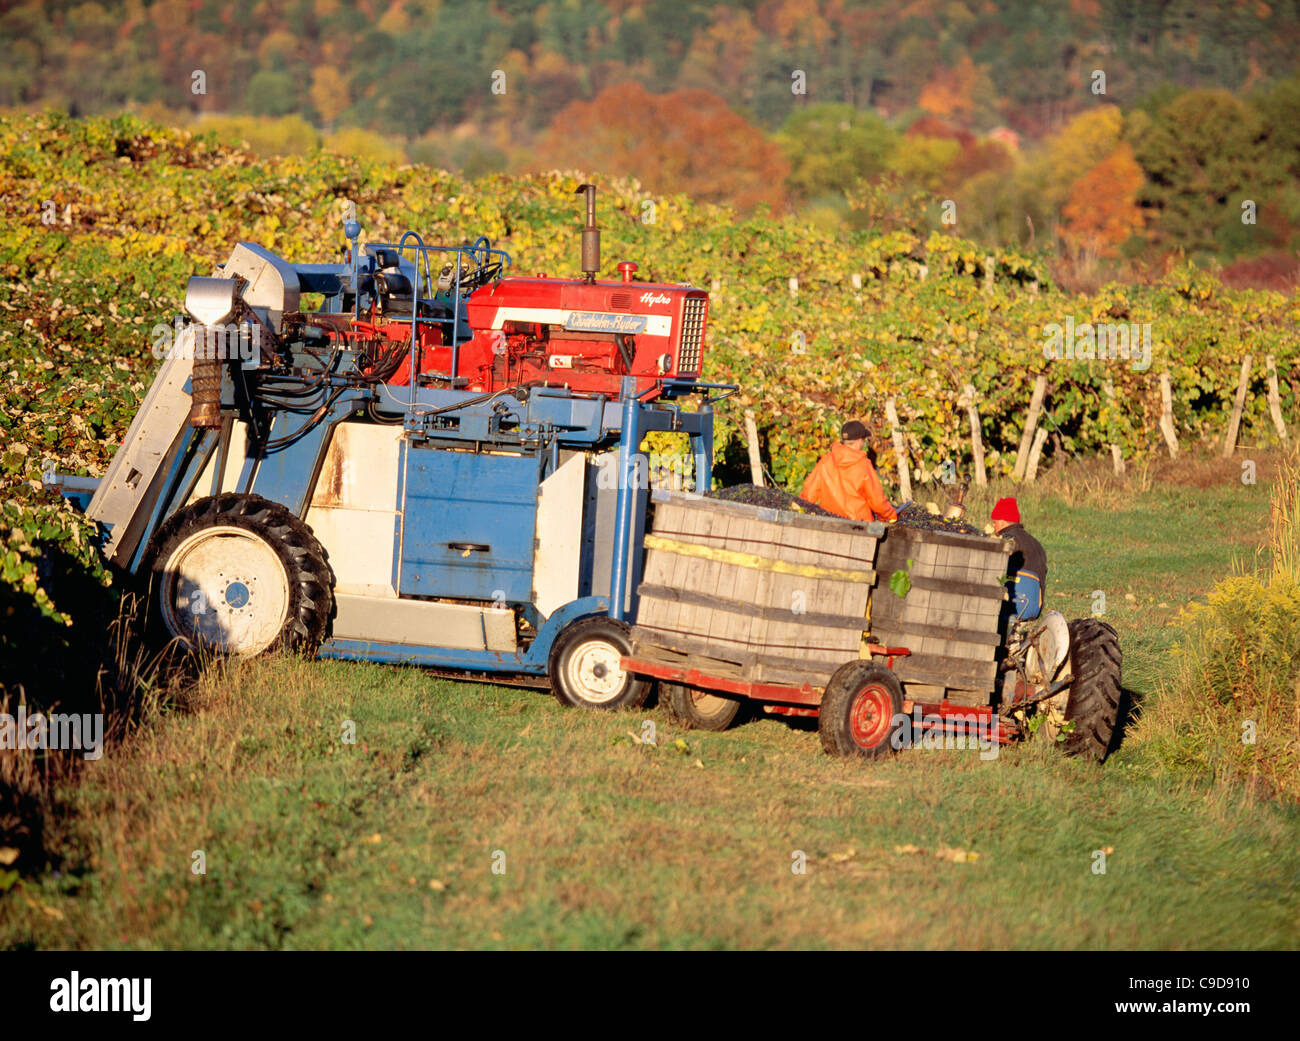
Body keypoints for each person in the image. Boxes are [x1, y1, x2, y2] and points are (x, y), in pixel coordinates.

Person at [800, 420, 898, 523]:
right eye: (863, 440)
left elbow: (808, 494)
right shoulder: (864, 465)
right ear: (859, 441)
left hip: (828, 522)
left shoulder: (826, 460)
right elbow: (878, 502)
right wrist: (890, 516)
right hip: (859, 525)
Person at [991, 497, 1047, 620]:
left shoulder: (1006, 541)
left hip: (1013, 603)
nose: (993, 526)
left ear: (1001, 522)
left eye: (994, 522)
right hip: (1034, 606)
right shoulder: (1037, 544)